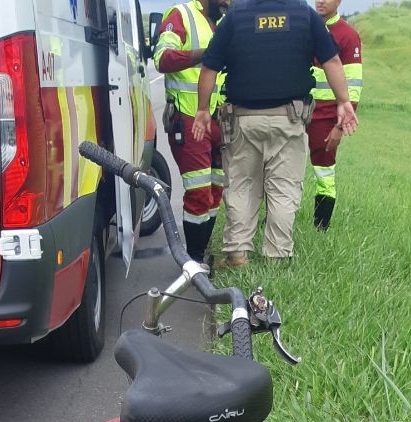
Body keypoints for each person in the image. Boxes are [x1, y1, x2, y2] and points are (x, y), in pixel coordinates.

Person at [192, 0, 357, 265]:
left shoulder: (236, 14)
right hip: (288, 120)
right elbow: (332, 60)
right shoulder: (303, 13)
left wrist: (202, 109)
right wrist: (344, 101)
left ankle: (237, 254)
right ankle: (277, 257)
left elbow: (209, 67)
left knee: (242, 187)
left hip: (243, 121)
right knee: (283, 189)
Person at [154, 0, 231, 263]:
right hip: (188, 120)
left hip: (219, 119)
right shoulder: (181, 15)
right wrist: (207, 53)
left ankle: (202, 254)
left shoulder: (223, 22)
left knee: (215, 190)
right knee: (198, 192)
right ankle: (194, 261)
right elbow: (162, 58)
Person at [308, 0, 362, 229]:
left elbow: (354, 86)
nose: (321, 0)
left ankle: (320, 228)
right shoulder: (303, 27)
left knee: (324, 173)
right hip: (294, 111)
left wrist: (340, 127)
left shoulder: (348, 35)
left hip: (327, 117)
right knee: (280, 171)